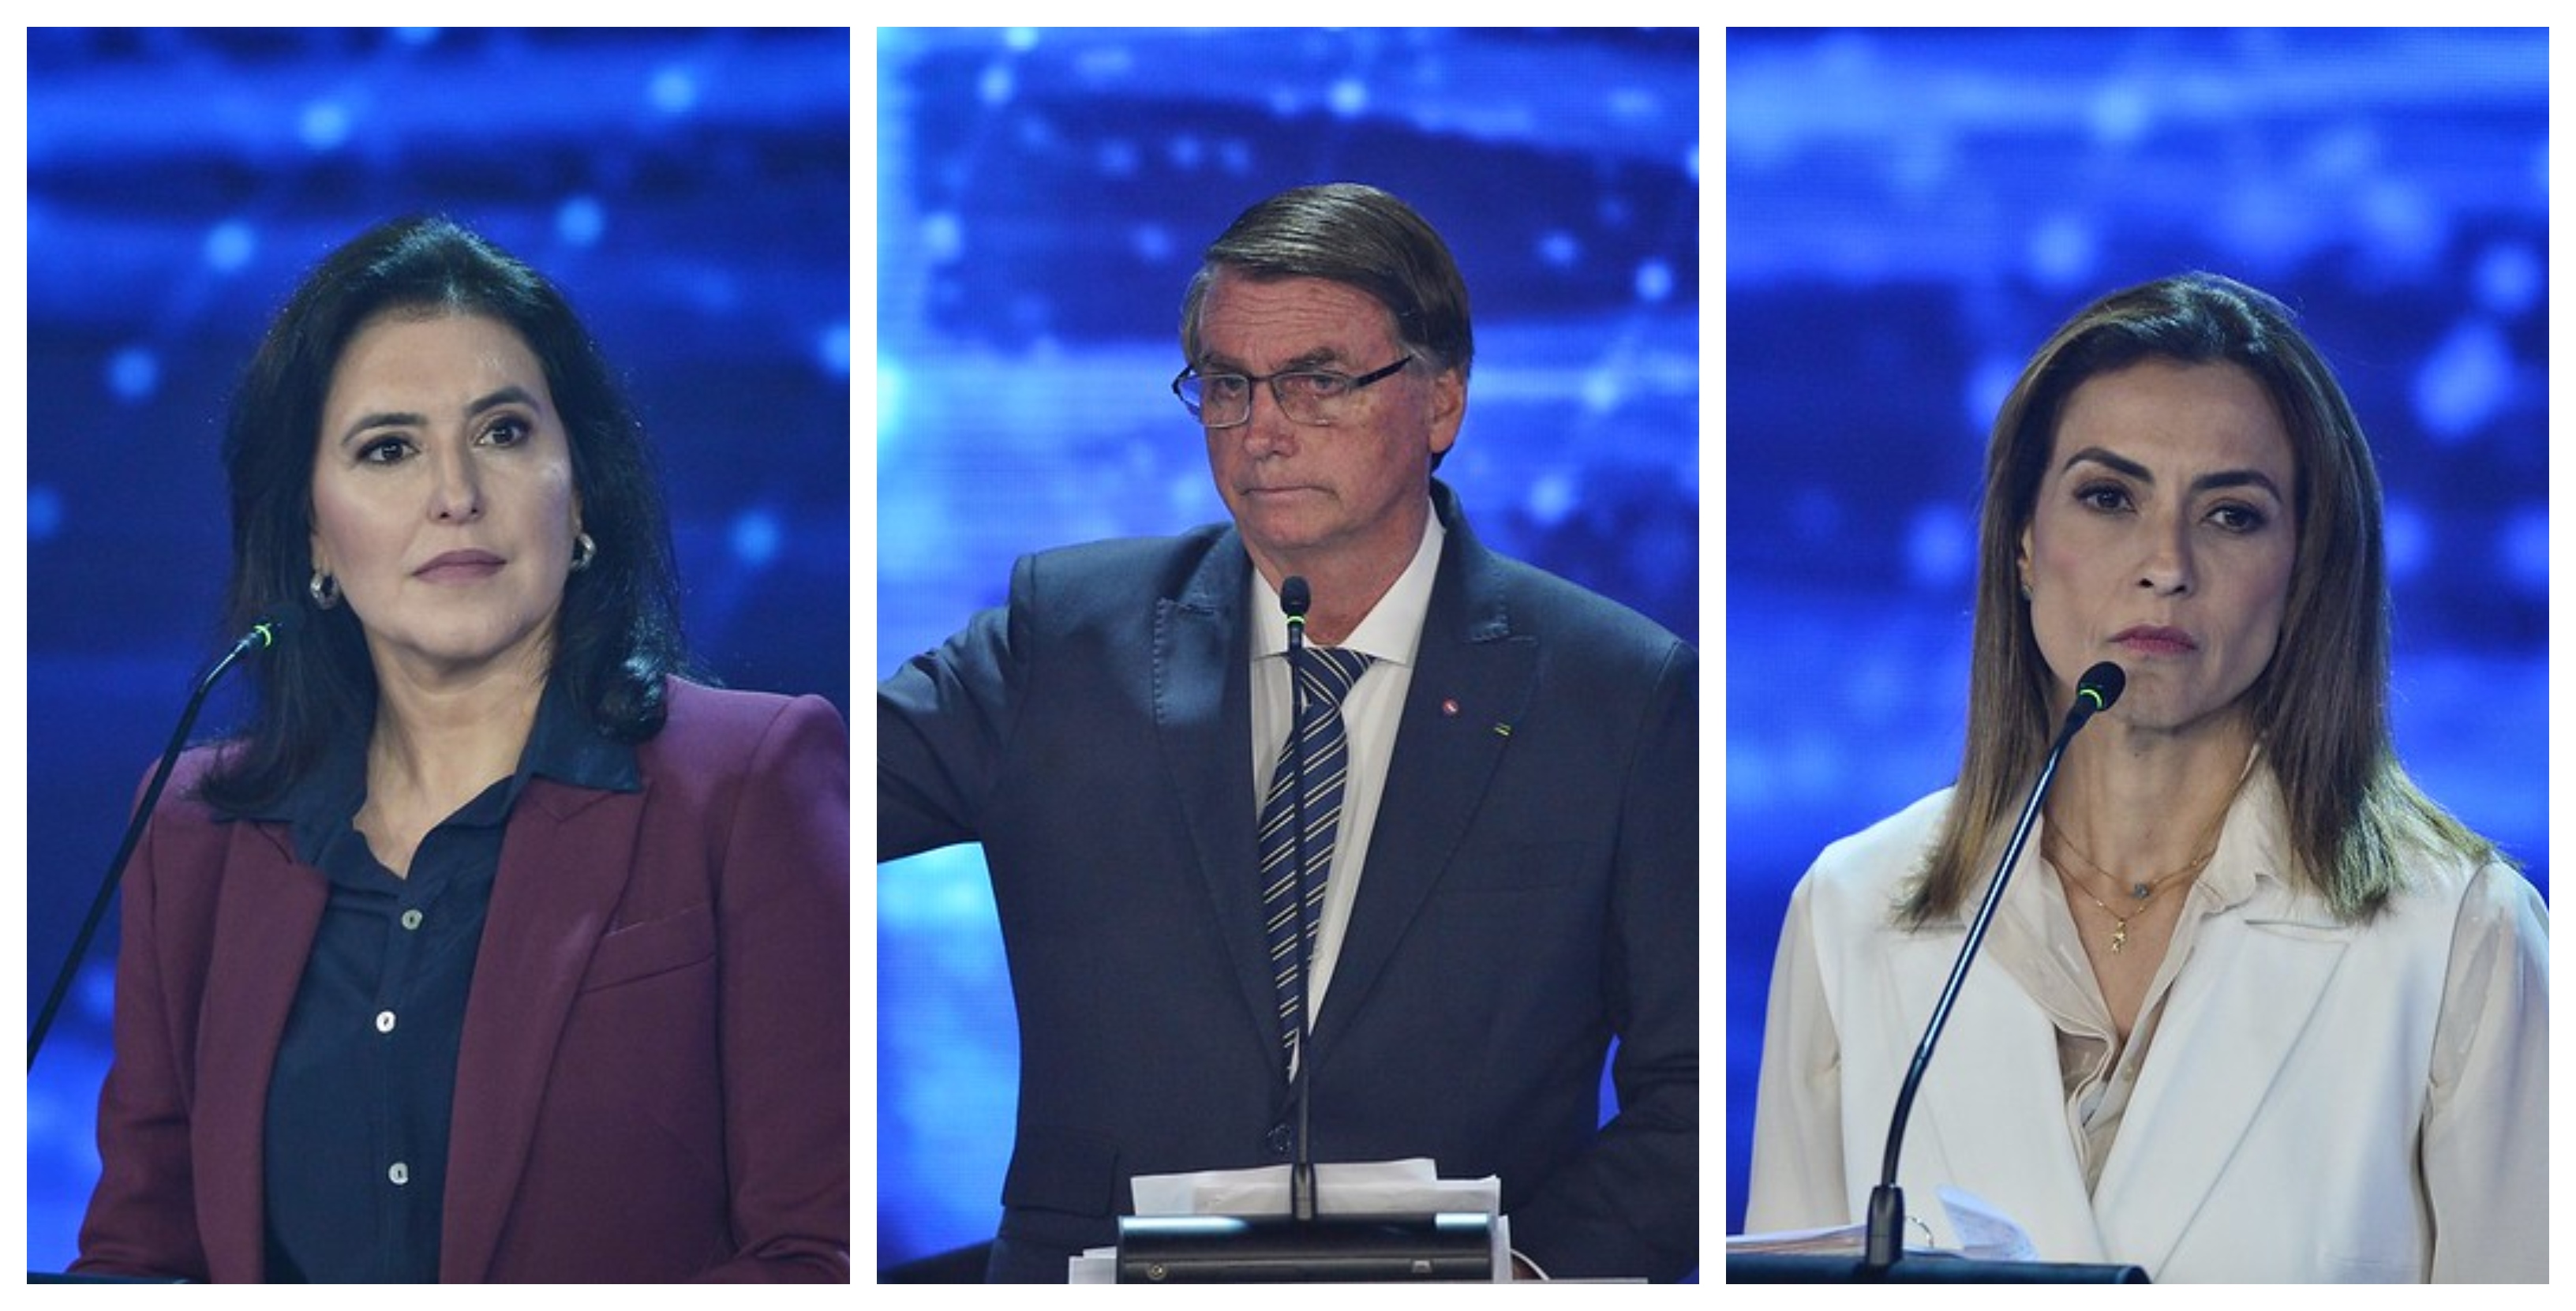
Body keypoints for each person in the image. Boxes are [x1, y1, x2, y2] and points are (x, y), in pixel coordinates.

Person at [878, 182, 1698, 1282]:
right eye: (1227, 385)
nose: (1261, 431)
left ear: (1443, 400)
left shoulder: (1617, 692)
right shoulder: (1065, 641)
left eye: (1317, 381)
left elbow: (1687, 1098)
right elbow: (791, 800)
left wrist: (1521, 1278)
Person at [71, 215, 851, 1283]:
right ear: (311, 536)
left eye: (503, 433)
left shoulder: (750, 779)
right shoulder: (195, 828)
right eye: (389, 449)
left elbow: (817, 1255)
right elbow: (140, 1255)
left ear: (580, 494)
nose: (456, 493)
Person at [1745, 272, 2548, 1282]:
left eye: (2232, 515)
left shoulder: (2461, 937)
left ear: (2305, 564)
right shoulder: (1851, 913)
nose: (2165, 562)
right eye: (2109, 497)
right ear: (2026, 545)